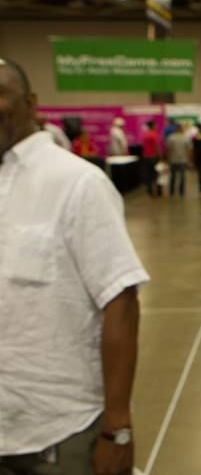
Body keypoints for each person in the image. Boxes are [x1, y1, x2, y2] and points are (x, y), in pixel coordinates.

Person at [0, 58, 149, 474]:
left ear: (31, 103)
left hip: (59, 434)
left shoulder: (78, 183)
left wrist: (117, 428)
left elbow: (120, 301)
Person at [165, 122, 191, 197]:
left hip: (173, 160)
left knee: (173, 176)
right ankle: (181, 192)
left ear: (175, 129)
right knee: (182, 176)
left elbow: (168, 149)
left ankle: (172, 191)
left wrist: (167, 159)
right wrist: (189, 160)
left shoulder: (170, 137)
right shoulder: (185, 137)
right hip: (183, 160)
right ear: (181, 129)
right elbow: (189, 149)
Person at [142, 119, 162, 197]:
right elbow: (156, 146)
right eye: (155, 125)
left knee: (149, 174)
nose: (156, 126)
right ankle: (158, 191)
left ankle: (150, 190)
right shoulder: (154, 134)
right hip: (153, 156)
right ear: (152, 126)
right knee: (157, 174)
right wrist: (160, 155)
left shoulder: (145, 135)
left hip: (146, 156)